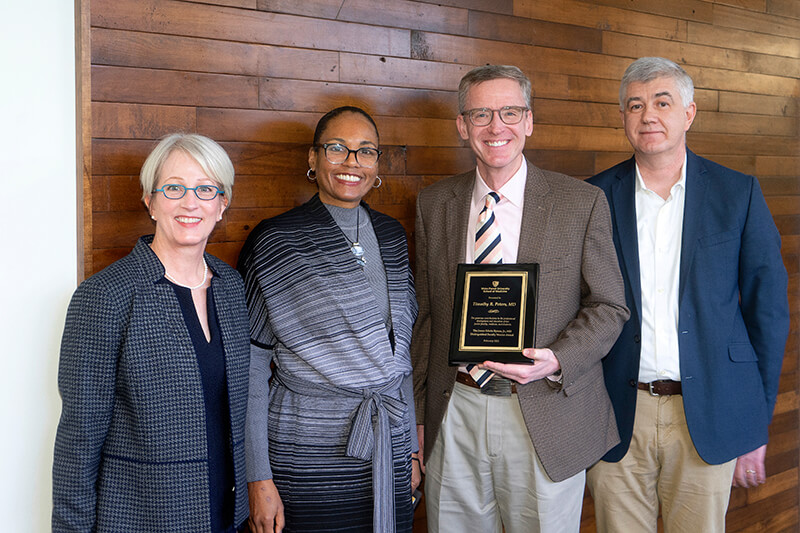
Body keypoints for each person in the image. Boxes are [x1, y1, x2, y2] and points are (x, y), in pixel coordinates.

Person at [411, 64, 630, 533]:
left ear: (528, 121)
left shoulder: (580, 202)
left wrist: (556, 359)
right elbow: (427, 318)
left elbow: (610, 306)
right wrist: (418, 414)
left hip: (543, 408)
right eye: (481, 114)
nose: (497, 127)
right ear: (462, 125)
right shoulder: (434, 204)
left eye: (510, 112)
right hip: (456, 410)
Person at [586, 57, 790, 532]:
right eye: (634, 105)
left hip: (709, 412)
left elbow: (769, 313)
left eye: (662, 102)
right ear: (623, 118)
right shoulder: (594, 197)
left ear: (689, 113)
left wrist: (753, 424)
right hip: (617, 414)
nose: (648, 115)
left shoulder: (737, 193)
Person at [52, 133, 250, 532]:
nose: (190, 202)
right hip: (143, 518)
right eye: (173, 188)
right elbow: (79, 441)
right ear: (151, 201)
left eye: (205, 189)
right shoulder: (105, 295)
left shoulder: (230, 285)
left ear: (222, 204)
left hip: (224, 516)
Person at [238, 106, 420, 533]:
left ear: (377, 165)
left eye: (365, 151)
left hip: (386, 440)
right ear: (313, 158)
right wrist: (257, 476)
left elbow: (400, 356)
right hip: (307, 446)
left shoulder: (392, 236)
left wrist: (409, 448)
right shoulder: (277, 241)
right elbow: (250, 368)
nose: (351, 162)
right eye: (337, 148)